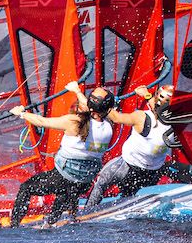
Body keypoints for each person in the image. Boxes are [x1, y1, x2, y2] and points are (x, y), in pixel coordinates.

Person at [8, 81, 118, 225]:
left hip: (64, 177)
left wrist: (21, 113)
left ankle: (13, 226)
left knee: (26, 188)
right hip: (84, 182)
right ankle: (54, 221)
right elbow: (91, 107)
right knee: (66, 192)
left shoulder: (74, 122)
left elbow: (41, 121)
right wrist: (77, 91)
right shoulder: (109, 124)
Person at [89, 84, 185, 204]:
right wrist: (146, 95)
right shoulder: (178, 122)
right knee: (128, 193)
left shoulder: (141, 117)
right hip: (152, 174)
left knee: (101, 182)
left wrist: (101, 106)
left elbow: (117, 118)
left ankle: (87, 212)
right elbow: (160, 109)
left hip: (125, 167)